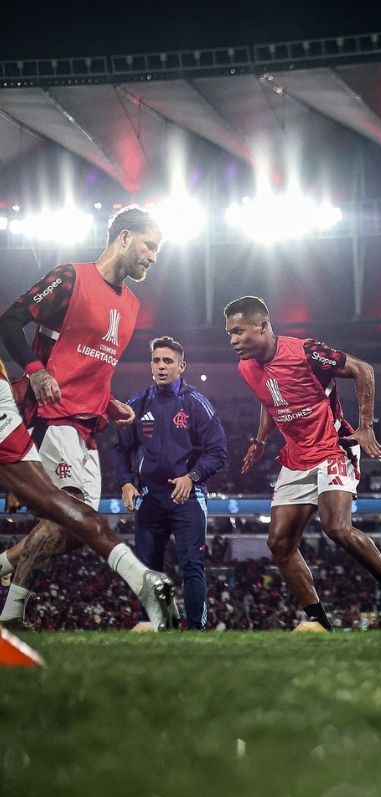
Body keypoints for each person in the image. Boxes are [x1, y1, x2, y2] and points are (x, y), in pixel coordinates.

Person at [0, 207, 178, 629]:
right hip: (51, 414)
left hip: (88, 425)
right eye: (149, 246)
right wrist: (36, 370)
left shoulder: (132, 305)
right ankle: (11, 613)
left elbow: (91, 362)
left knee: (75, 530)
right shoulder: (70, 278)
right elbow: (9, 322)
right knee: (72, 512)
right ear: (123, 237)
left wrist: (109, 400)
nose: (154, 257)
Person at [225, 296, 381, 632]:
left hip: (334, 446)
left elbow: (363, 369)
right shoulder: (246, 368)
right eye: (229, 334)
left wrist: (366, 426)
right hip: (296, 456)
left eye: (239, 331)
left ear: (263, 326)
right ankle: (319, 624)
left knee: (336, 527)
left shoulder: (305, 352)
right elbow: (270, 401)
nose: (233, 340)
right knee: (279, 544)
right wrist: (259, 440)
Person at [114, 336, 228, 631]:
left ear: (181, 366)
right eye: (156, 360)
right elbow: (121, 449)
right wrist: (126, 482)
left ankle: (196, 631)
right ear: (150, 364)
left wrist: (192, 477)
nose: (161, 366)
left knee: (191, 565)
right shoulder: (136, 404)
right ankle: (153, 624)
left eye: (168, 361)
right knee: (148, 569)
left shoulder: (196, 404)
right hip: (150, 497)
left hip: (187, 498)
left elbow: (218, 451)